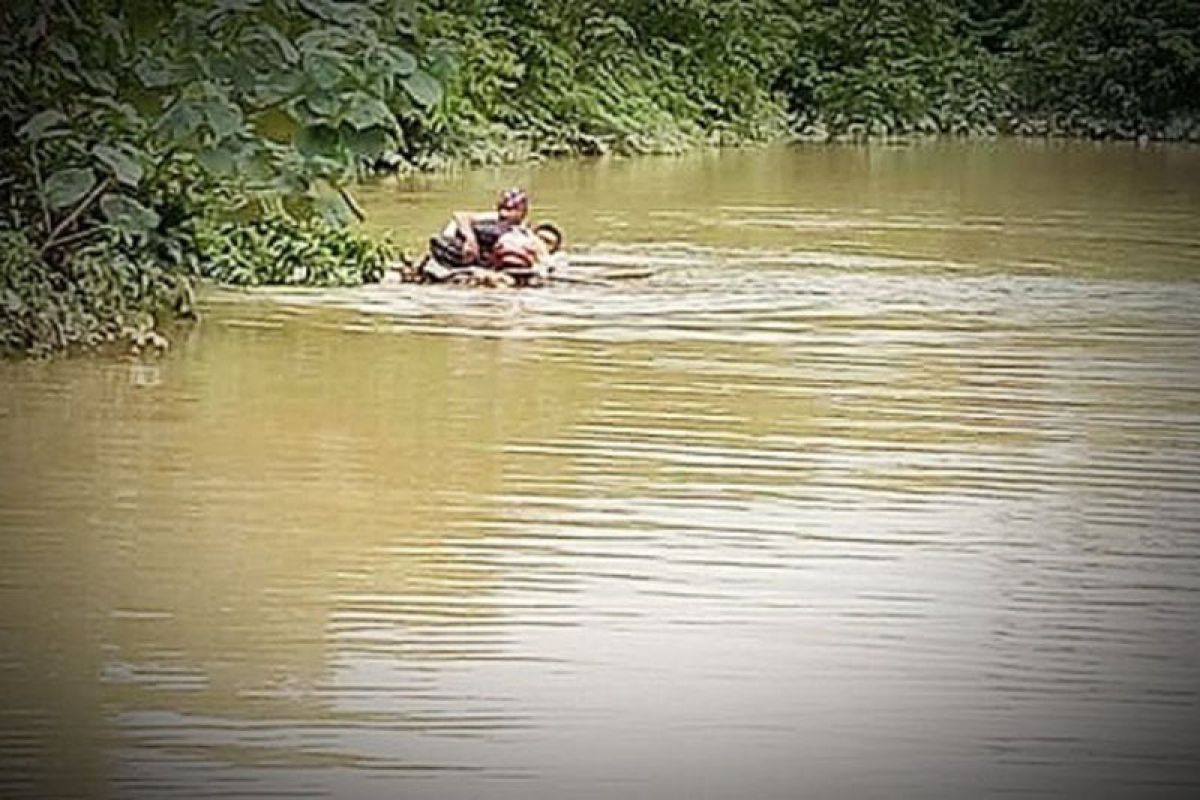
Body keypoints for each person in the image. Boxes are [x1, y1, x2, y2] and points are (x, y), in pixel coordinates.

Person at [421, 187, 531, 281]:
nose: (504, 213)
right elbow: (460, 216)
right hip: (459, 244)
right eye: (502, 208)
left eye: (511, 209)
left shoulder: (524, 231)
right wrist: (470, 240)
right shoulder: (494, 218)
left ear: (522, 211)